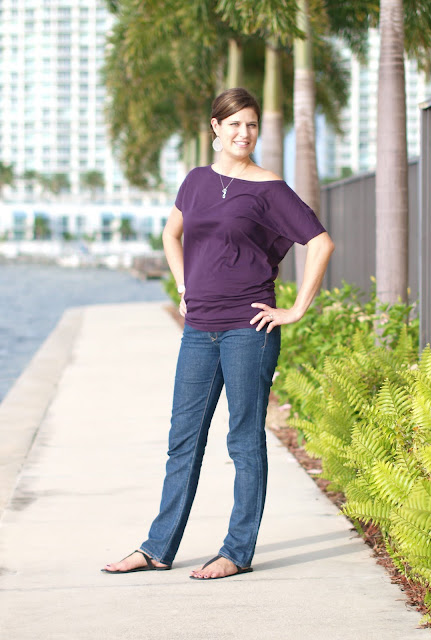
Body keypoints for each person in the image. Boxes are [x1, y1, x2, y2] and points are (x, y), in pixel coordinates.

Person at [102, 87, 334, 580]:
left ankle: (237, 551)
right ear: (216, 128)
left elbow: (320, 242)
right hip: (199, 329)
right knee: (182, 440)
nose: (244, 133)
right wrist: (184, 286)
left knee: (244, 441)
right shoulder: (196, 181)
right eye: (234, 124)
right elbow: (171, 234)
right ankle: (157, 548)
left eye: (251, 124)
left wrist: (295, 309)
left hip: (249, 329)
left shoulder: (269, 188)